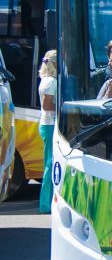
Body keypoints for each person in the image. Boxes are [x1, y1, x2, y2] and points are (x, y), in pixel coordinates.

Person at [37, 50, 57, 214]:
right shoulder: (52, 81)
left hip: (45, 124)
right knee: (50, 164)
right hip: (50, 124)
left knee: (48, 163)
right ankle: (46, 203)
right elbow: (47, 105)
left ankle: (46, 202)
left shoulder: (45, 80)